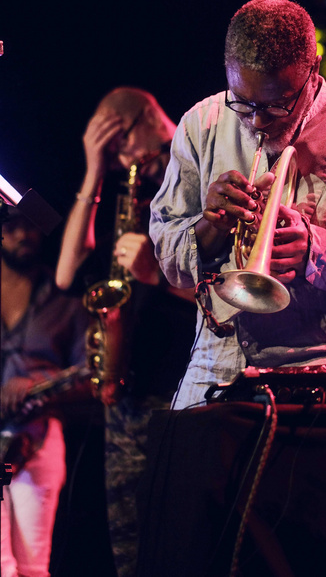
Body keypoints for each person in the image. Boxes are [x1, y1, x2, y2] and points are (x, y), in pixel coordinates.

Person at [149, 0, 326, 410]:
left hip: (324, 376)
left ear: (314, 70)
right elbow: (169, 261)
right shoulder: (201, 124)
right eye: (242, 102)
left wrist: (317, 254)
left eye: (275, 104)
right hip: (216, 368)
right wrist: (210, 226)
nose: (256, 121)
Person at [55, 87, 197, 577]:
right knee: (131, 557)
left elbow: (231, 296)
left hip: (185, 396)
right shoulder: (130, 189)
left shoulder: (202, 173)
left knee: (188, 545)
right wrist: (93, 171)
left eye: (118, 145)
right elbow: (67, 276)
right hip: (130, 400)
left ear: (145, 120)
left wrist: (156, 275)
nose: (121, 160)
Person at [1, 206, 90, 577]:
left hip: (38, 437)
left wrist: (37, 385)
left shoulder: (64, 297)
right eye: (13, 226)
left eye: (32, 226)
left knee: (32, 567)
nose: (25, 234)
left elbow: (91, 375)